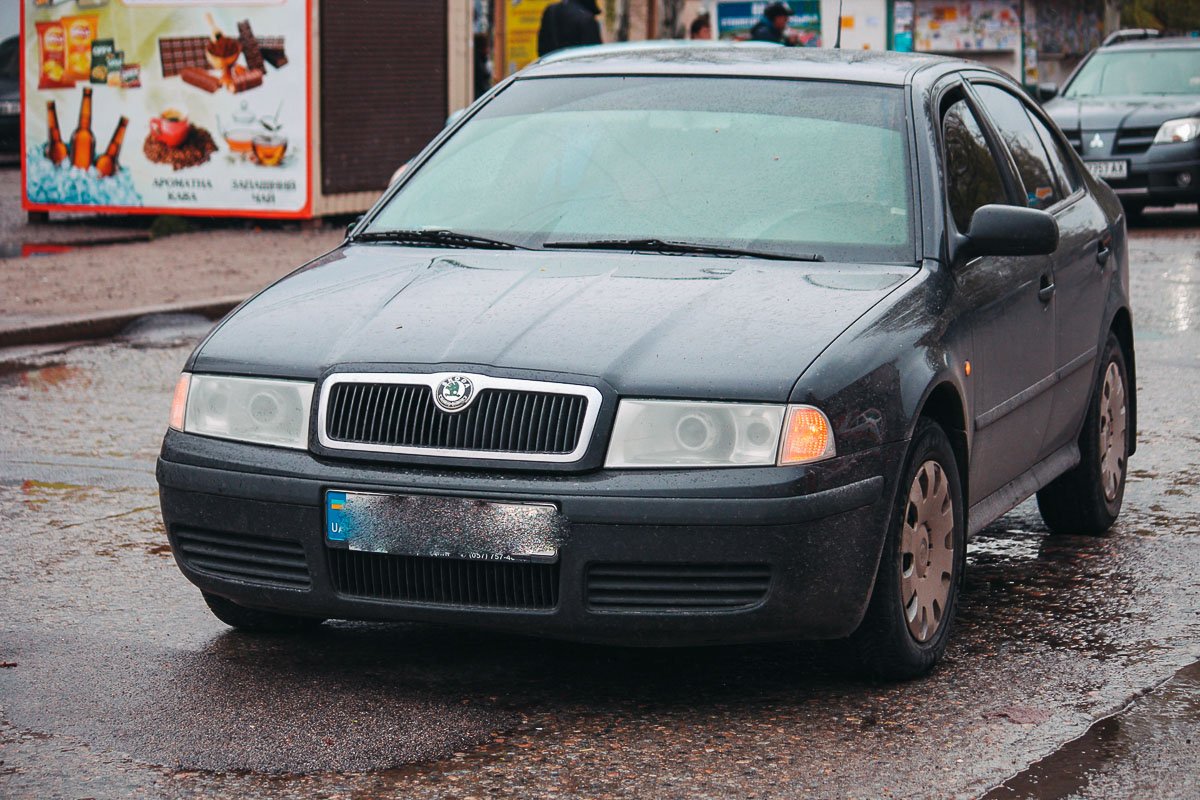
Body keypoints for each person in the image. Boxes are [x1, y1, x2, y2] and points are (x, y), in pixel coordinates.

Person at [537, 0, 602, 58]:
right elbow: (594, 54)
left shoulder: (551, 10)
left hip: (550, 65)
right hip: (577, 67)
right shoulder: (586, 18)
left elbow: (542, 46)